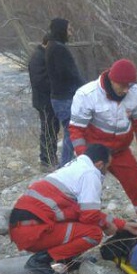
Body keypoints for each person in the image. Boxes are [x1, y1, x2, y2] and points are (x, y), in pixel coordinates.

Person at [8, 143, 137, 274]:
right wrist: (107, 226)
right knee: (93, 233)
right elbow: (89, 217)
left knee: (80, 223)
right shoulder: (90, 174)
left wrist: (123, 224)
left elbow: (80, 211)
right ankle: (40, 261)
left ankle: (66, 259)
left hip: (24, 227)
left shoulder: (75, 168)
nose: (108, 171)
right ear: (100, 164)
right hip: (33, 231)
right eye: (108, 167)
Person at [68, 58, 137, 221]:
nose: (126, 90)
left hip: (120, 152)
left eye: (129, 85)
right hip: (93, 152)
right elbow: (76, 130)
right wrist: (84, 159)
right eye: (122, 85)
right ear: (112, 79)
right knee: (86, 194)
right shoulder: (87, 94)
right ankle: (77, 225)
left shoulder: (135, 92)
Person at [45, 18, 84, 165]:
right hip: (64, 99)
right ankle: (66, 166)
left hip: (60, 98)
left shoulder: (52, 46)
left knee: (72, 132)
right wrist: (85, 88)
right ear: (61, 30)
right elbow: (68, 74)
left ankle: (70, 163)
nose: (71, 33)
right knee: (71, 132)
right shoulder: (58, 49)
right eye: (68, 29)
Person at [28, 33, 58, 169]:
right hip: (44, 101)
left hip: (49, 99)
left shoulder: (44, 55)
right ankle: (46, 160)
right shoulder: (37, 57)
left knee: (53, 128)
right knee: (48, 130)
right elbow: (38, 81)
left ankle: (51, 157)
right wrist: (57, 85)